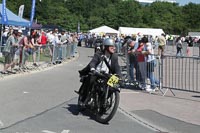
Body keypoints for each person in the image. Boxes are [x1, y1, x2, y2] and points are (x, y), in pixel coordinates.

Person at [77, 38, 122, 105]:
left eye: (114, 46)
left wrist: (119, 76)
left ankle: (104, 100)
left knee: (115, 85)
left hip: (107, 75)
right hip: (97, 73)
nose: (114, 48)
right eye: (111, 47)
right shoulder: (99, 54)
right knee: (90, 80)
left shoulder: (114, 56)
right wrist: (92, 69)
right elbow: (93, 62)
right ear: (106, 47)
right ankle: (84, 98)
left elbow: (117, 67)